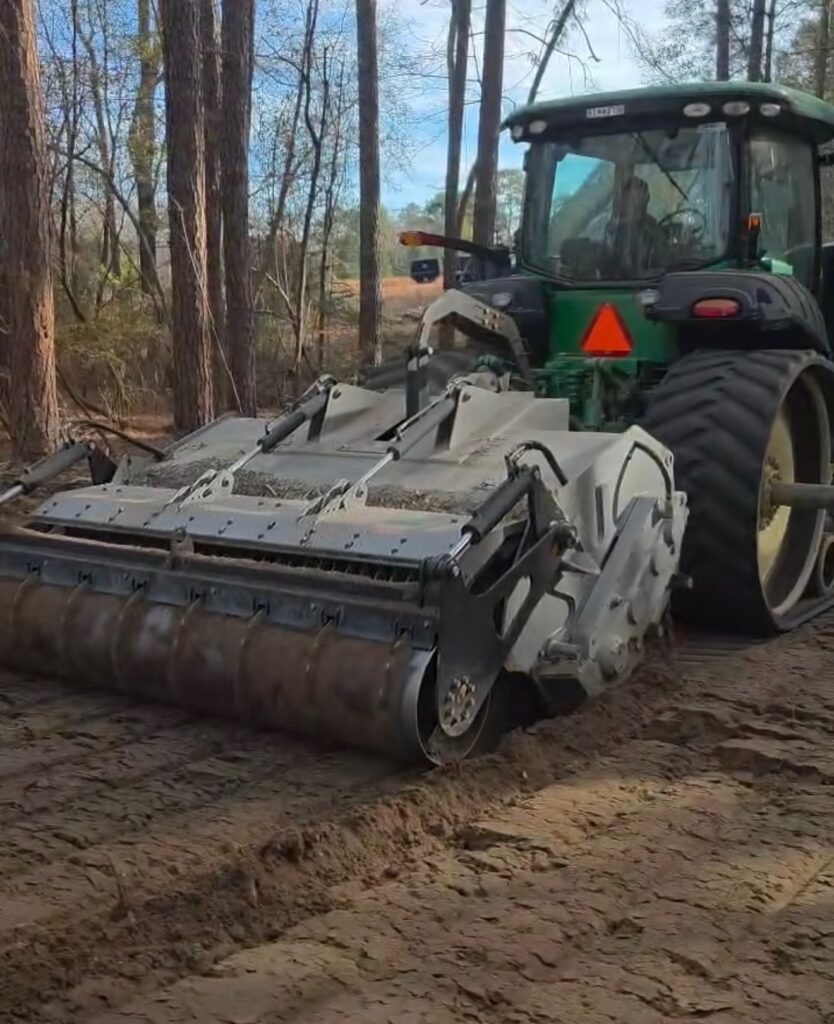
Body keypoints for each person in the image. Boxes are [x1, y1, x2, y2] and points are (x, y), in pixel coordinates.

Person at [604, 176, 666, 277]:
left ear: (648, 198)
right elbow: (611, 263)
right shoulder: (614, 229)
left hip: (653, 280)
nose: (636, 202)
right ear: (624, 199)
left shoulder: (653, 226)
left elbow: (662, 260)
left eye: (641, 197)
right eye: (632, 198)